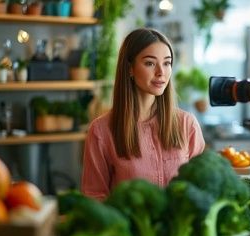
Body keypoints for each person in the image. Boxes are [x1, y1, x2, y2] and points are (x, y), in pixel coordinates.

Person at [81, 28, 206, 200]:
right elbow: (94, 197)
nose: (161, 72)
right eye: (150, 63)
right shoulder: (101, 131)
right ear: (130, 68)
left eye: (167, 63)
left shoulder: (187, 124)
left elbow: (201, 189)